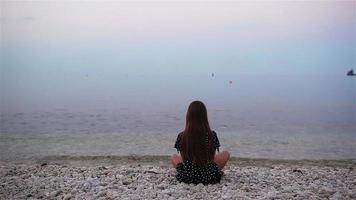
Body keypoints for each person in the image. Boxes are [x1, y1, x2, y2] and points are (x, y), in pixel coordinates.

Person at [170, 101, 230, 184]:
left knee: (174, 157)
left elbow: (184, 159)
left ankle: (195, 172)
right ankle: (213, 172)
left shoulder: (182, 136)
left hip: (187, 176)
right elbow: (211, 158)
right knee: (226, 153)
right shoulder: (211, 134)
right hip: (209, 176)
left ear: (188, 116)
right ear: (205, 116)